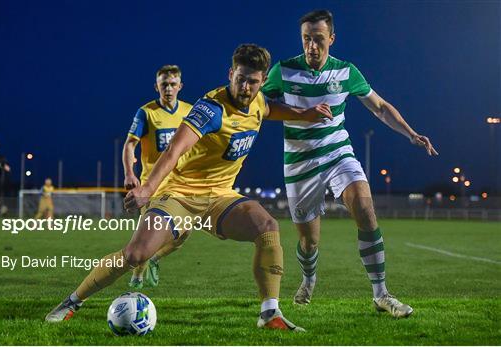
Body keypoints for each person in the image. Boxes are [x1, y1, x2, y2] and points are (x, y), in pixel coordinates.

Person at [45, 44, 332, 331]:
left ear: (262, 80)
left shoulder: (258, 101)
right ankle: (72, 301)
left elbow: (269, 108)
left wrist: (304, 114)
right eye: (240, 78)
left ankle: (270, 314)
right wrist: (147, 188)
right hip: (180, 196)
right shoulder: (211, 108)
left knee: (267, 226)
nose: (245, 87)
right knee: (136, 255)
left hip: (220, 198)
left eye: (253, 81)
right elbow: (173, 150)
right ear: (230, 73)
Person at [262, 10, 438, 317]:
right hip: (299, 164)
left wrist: (410, 134)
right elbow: (259, 106)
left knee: (366, 210)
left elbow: (380, 107)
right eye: (306, 39)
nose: (312, 46)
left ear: (331, 38)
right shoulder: (284, 71)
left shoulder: (346, 72)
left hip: (338, 154)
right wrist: (298, 114)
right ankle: (308, 277)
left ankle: (381, 294)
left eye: (318, 39)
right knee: (308, 241)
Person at [123, 65, 193, 289]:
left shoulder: (190, 111)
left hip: (181, 185)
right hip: (152, 186)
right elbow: (129, 145)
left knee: (184, 233)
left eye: (173, 84)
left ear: (180, 86)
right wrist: (129, 173)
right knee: (147, 238)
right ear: (157, 87)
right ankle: (137, 276)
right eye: (164, 84)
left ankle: (154, 259)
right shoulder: (147, 112)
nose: (169, 89)